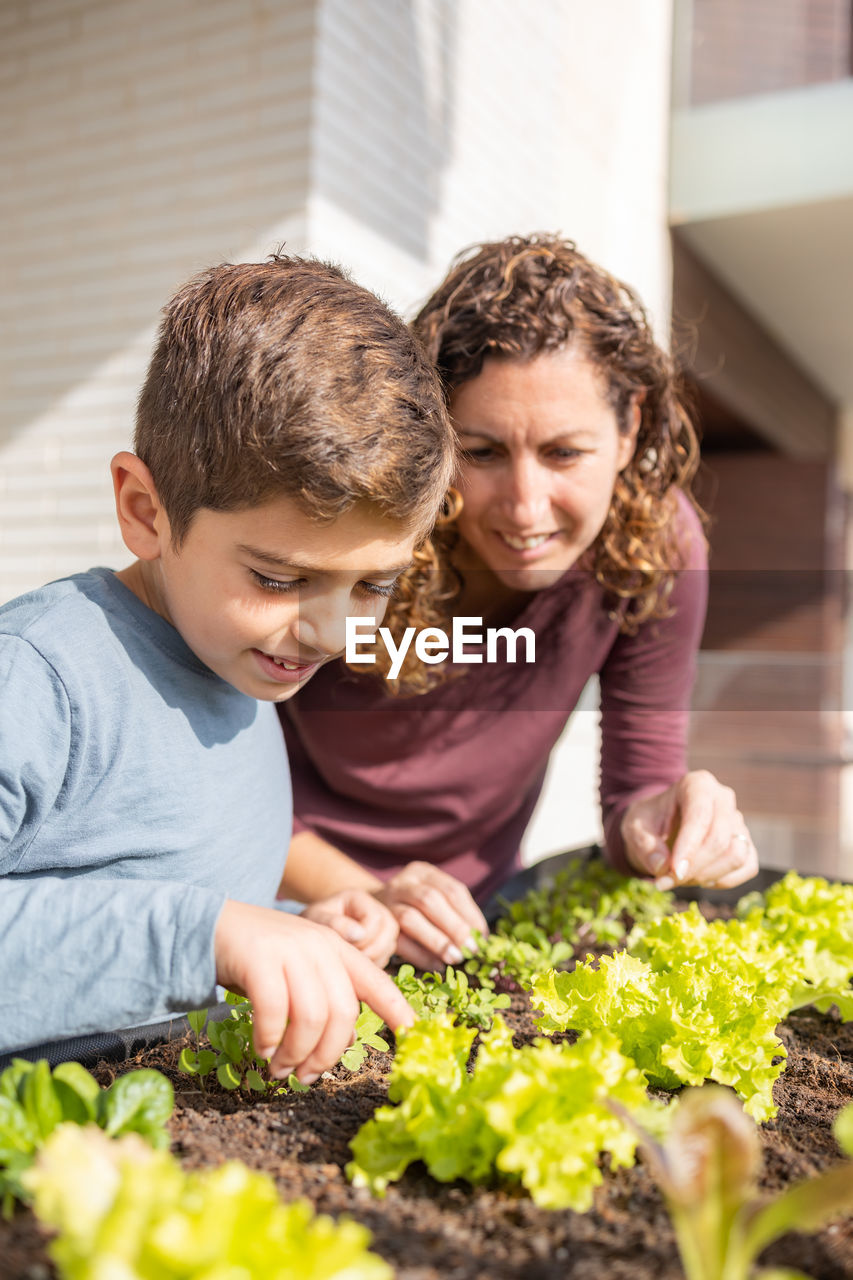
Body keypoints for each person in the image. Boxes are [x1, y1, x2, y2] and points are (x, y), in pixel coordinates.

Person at [0, 253, 458, 1079]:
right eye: (279, 579)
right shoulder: (41, 679)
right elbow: (176, 931)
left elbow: (175, 889)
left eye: (373, 586)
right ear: (146, 510)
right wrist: (208, 936)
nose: (330, 632)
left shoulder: (246, 667)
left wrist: (295, 923)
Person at [279, 234, 759, 971]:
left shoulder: (656, 548)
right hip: (286, 895)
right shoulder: (368, 528)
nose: (526, 508)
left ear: (628, 427)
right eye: (481, 453)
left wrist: (660, 822)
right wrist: (362, 894)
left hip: (474, 918)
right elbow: (208, 773)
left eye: (564, 453)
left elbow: (635, 791)